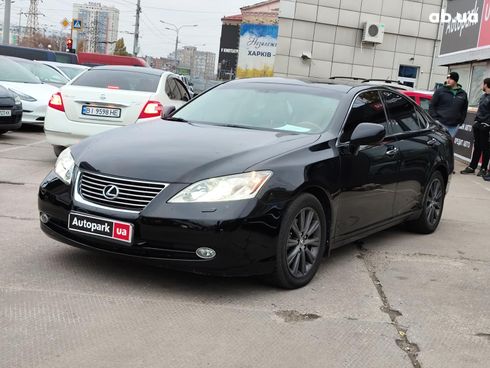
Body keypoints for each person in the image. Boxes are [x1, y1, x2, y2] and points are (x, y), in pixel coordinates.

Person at [461, 78, 490, 177]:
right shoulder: (483, 96)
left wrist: (487, 124)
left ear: (486, 85)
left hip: (486, 126)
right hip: (478, 124)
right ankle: (472, 167)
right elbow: (480, 110)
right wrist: (476, 121)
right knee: (477, 146)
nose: (482, 85)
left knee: (485, 148)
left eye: (483, 84)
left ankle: (483, 168)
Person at [429, 72, 469, 138]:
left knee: (448, 144)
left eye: (450, 78)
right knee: (438, 142)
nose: (448, 80)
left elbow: (464, 109)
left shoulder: (463, 93)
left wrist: (460, 121)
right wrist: (435, 119)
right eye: (447, 78)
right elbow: (432, 105)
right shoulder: (440, 91)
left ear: (455, 80)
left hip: (454, 126)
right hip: (440, 123)